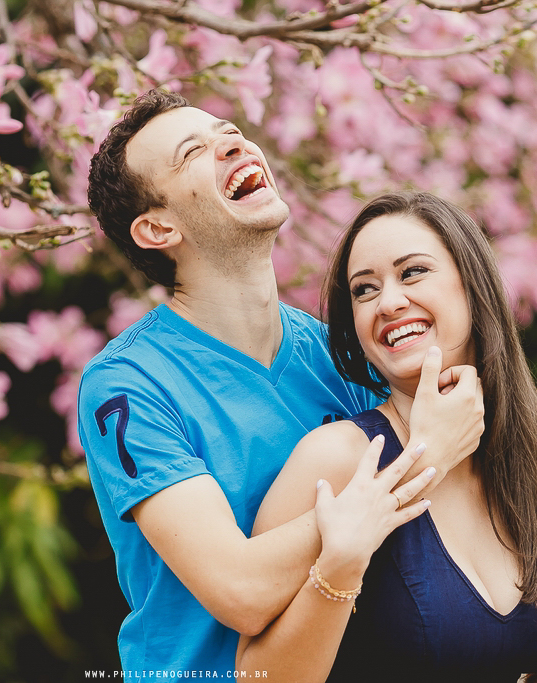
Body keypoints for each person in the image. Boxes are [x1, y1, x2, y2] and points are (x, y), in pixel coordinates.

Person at [78, 90, 485, 675]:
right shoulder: (127, 385)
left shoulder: (345, 355)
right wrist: (425, 459)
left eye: (229, 132)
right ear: (157, 228)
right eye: (193, 152)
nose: (232, 145)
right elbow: (240, 591)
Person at [236, 191, 537, 682]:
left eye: (413, 272)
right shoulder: (337, 459)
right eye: (364, 290)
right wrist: (341, 568)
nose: (389, 302)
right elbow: (256, 675)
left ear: (473, 286)